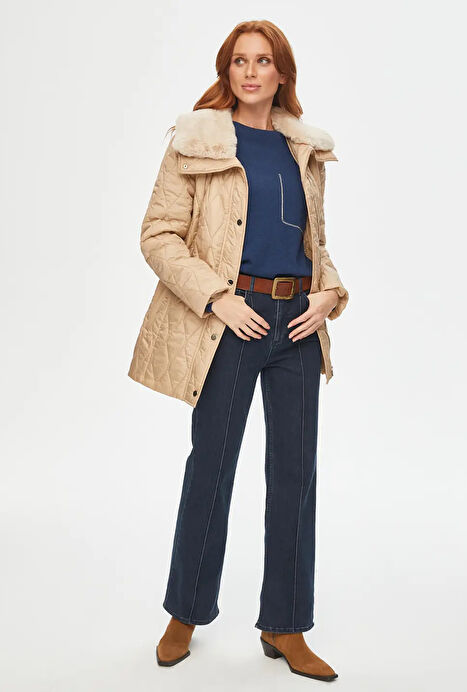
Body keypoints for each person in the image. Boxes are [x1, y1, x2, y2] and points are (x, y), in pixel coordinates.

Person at [128, 19, 349, 682]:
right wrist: (216, 298)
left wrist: (329, 292)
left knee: (296, 477)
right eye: (239, 61)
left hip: (298, 324)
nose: (250, 72)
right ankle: (186, 613)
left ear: (282, 73)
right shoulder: (196, 141)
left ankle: (285, 624)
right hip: (230, 321)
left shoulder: (302, 149)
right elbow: (158, 234)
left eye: (263, 61)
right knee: (213, 467)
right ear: (227, 70)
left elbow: (315, 243)